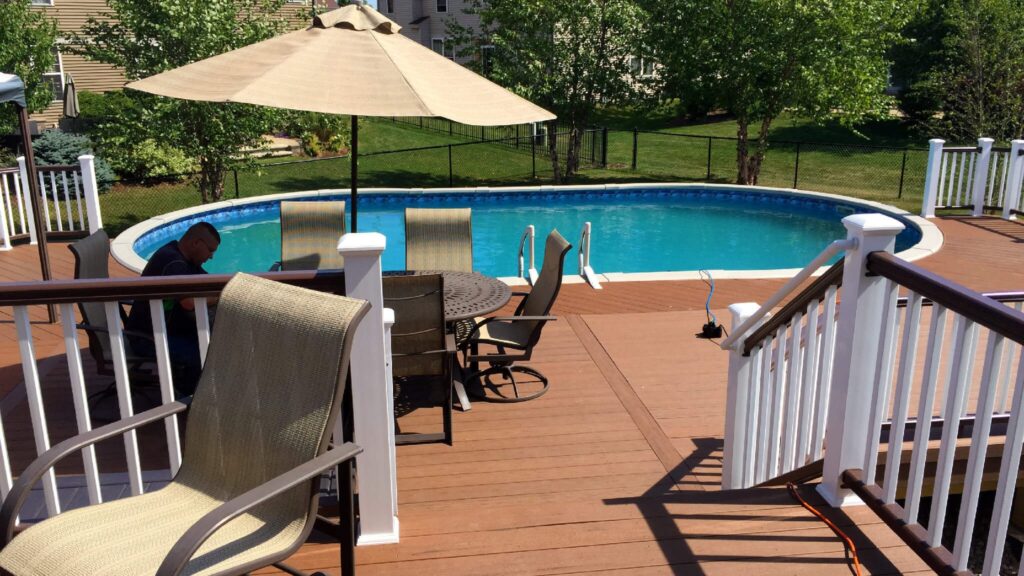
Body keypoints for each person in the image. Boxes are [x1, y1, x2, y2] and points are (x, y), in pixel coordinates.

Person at [126, 222, 220, 395]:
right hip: (148, 338)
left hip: (163, 329)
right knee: (203, 352)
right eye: (210, 250)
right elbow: (189, 303)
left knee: (209, 341)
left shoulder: (182, 255)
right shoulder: (173, 262)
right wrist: (222, 296)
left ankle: (189, 387)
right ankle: (188, 398)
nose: (211, 256)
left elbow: (206, 280)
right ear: (196, 243)